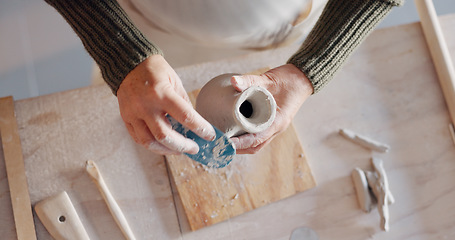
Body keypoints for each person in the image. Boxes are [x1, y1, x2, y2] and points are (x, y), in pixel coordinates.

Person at [45, 0, 403, 155]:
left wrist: (312, 66)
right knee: (122, 125)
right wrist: (122, 54)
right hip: (155, 31)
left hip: (301, 26)